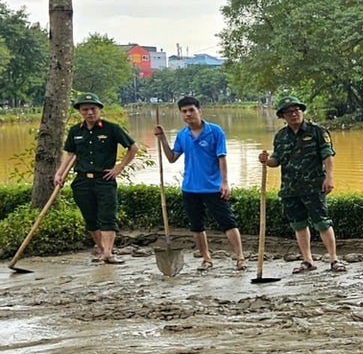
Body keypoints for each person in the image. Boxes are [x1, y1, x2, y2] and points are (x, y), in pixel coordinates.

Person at [154, 96, 245, 271]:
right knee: (196, 226)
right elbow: (172, 158)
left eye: (191, 110)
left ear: (199, 111)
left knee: (228, 222)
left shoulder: (215, 131)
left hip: (213, 186)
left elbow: (222, 157)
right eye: (184, 111)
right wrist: (163, 139)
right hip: (190, 187)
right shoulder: (182, 134)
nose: (188, 114)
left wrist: (225, 182)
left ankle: (240, 257)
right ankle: (206, 258)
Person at [259, 96, 342, 272]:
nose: (294, 114)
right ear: (283, 116)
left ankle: (334, 260)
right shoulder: (281, 136)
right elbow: (277, 160)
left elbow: (328, 156)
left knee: (322, 223)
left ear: (302, 111)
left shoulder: (317, 131)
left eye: (297, 110)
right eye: (289, 112)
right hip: (290, 188)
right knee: (298, 224)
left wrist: (329, 177)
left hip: (314, 186)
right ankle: (307, 260)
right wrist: (266, 161)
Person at [54, 93, 139, 264]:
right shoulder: (75, 131)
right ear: (80, 112)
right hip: (82, 181)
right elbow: (70, 154)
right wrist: (59, 173)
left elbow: (133, 147)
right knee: (90, 218)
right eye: (85, 109)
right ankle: (101, 248)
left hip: (104, 179)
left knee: (107, 217)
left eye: (93, 109)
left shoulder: (111, 128)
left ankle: (108, 253)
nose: (90, 112)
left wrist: (119, 167)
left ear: (99, 109)